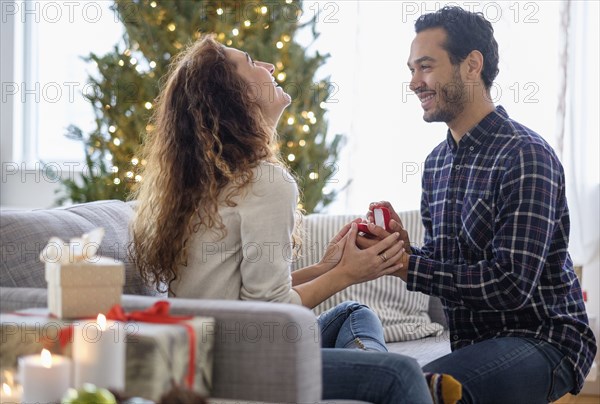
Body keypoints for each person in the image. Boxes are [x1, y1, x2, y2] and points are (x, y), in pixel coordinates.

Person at [129, 35, 433, 404]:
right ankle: (383, 374)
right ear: (233, 95)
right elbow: (267, 314)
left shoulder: (207, 181)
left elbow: (240, 296)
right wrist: (347, 273)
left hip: (209, 350)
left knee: (354, 313)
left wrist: (324, 266)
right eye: (252, 61)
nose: (269, 67)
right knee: (400, 374)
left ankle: (367, 366)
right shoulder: (265, 181)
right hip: (236, 364)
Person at [359, 6, 597, 403]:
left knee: (409, 387)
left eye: (426, 67)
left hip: (545, 338)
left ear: (472, 65)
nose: (415, 82)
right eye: (412, 69)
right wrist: (402, 252)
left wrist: (409, 267)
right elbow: (444, 265)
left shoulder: (526, 156)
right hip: (476, 343)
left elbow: (510, 285)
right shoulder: (436, 163)